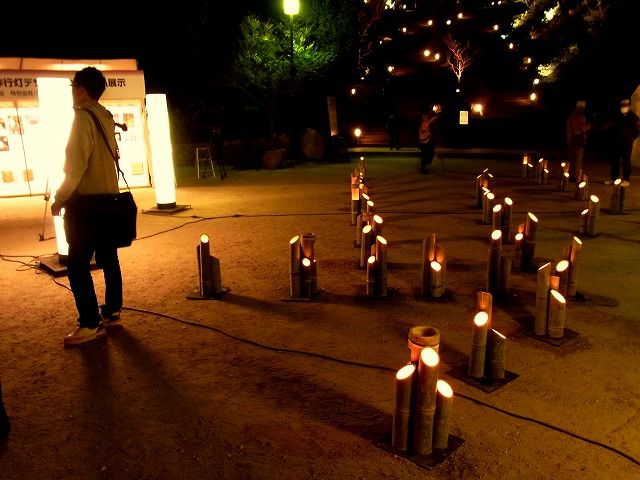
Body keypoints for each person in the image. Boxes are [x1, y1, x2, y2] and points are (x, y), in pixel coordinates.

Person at [51, 67, 124, 346]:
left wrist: (60, 197)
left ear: (80, 89)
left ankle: (90, 323)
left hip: (87, 205)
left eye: (73, 87)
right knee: (109, 257)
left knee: (78, 264)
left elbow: (75, 166)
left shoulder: (83, 117)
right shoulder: (105, 115)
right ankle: (112, 311)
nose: (73, 92)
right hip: (109, 201)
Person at [605, 99, 640, 186]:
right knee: (615, 161)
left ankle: (626, 180)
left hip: (627, 143)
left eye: (625, 106)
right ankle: (614, 179)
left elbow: (637, 130)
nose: (623, 108)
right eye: (622, 106)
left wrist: (631, 138)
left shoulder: (633, 117)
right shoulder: (617, 116)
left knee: (626, 161)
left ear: (629, 106)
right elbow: (612, 127)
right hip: (616, 142)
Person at [566, 100, 590, 181]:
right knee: (577, 160)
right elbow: (581, 129)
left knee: (572, 160)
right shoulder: (580, 117)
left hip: (572, 140)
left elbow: (569, 129)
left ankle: (571, 175)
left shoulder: (571, 116)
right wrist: (588, 126)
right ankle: (575, 176)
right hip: (578, 140)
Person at [418, 109, 438, 173]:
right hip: (425, 142)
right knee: (426, 155)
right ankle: (423, 167)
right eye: (423, 116)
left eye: (426, 116)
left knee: (428, 155)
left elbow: (435, 118)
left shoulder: (430, 123)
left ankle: (425, 167)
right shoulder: (422, 123)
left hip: (429, 142)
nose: (424, 117)